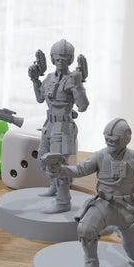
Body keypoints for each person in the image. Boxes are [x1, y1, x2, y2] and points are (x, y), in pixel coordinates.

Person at [45, 118, 134, 267]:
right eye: (106, 138)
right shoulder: (100, 156)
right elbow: (80, 170)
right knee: (85, 229)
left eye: (113, 139)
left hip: (127, 208)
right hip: (104, 204)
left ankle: (120, 229)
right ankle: (91, 263)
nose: (109, 142)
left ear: (125, 138)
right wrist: (60, 170)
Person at [29, 39, 89, 212]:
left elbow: (83, 106)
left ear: (70, 59)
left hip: (63, 126)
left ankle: (63, 202)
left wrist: (78, 85)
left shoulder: (72, 79)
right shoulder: (49, 78)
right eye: (57, 58)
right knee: (42, 159)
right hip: (49, 124)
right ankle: (55, 187)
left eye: (64, 58)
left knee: (58, 164)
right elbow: (40, 98)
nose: (60, 61)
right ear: (52, 59)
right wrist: (35, 80)